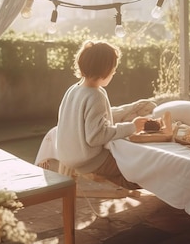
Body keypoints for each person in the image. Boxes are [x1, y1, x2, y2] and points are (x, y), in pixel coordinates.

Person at [55, 40, 148, 190]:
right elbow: (95, 137)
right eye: (113, 68)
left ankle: (108, 175)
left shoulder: (73, 89)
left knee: (128, 168)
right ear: (104, 69)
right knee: (139, 172)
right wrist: (132, 127)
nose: (114, 72)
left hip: (67, 156)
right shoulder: (95, 95)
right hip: (89, 160)